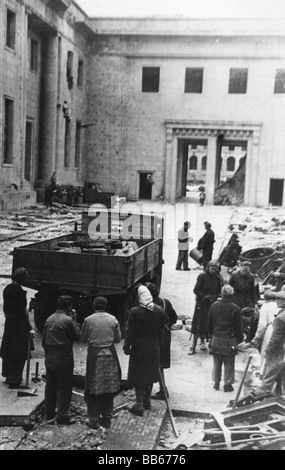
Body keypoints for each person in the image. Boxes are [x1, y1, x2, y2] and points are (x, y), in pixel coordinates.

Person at [123, 285, 165, 416]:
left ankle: (139, 403)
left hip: (139, 347)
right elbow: (163, 327)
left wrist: (126, 346)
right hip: (153, 346)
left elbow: (129, 332)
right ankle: (147, 400)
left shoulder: (135, 312)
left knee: (139, 375)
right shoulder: (158, 310)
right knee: (150, 373)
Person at [80, 296, 121, 430]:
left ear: (94, 306)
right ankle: (107, 418)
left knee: (92, 390)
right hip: (110, 356)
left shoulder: (88, 320)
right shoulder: (113, 319)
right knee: (108, 388)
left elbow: (83, 338)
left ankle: (93, 420)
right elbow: (118, 339)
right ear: (106, 306)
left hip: (94, 357)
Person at [42, 295, 81, 425]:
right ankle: (62, 415)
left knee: (50, 385)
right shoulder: (67, 320)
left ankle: (49, 414)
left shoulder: (49, 319)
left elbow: (43, 342)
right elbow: (76, 336)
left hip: (50, 357)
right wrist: (75, 320)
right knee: (64, 386)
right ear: (69, 307)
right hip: (63, 357)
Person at [0, 268, 35, 389]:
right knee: (19, 353)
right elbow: (20, 313)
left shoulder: (7, 288)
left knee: (9, 350)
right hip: (18, 327)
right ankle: (14, 380)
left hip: (10, 324)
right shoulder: (19, 293)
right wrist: (29, 328)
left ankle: (9, 375)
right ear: (22, 279)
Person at [145, 282, 178, 400]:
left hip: (152, 338)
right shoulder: (165, 302)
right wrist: (167, 326)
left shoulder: (147, 305)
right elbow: (174, 318)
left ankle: (148, 394)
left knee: (149, 365)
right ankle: (162, 390)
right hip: (164, 337)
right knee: (160, 365)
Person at [208, 285, 243, 392]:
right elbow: (238, 327)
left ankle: (216, 382)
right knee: (229, 362)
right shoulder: (235, 308)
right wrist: (239, 339)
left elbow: (209, 322)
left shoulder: (214, 305)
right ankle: (227, 384)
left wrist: (210, 336)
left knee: (217, 361)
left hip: (216, 337)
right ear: (232, 295)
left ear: (222, 294)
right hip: (229, 339)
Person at [250, 290, 285, 397]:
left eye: (279, 299)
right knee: (282, 374)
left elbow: (275, 339)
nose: (277, 301)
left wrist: (268, 351)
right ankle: (279, 393)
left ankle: (264, 393)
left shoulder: (280, 318)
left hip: (278, 350)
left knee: (269, 373)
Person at [189, 260, 223, 355]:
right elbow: (196, 290)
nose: (213, 271)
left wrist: (215, 297)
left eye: (215, 269)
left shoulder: (218, 278)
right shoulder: (202, 276)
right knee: (198, 324)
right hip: (201, 304)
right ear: (208, 268)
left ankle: (208, 344)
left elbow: (219, 291)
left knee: (210, 324)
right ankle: (193, 346)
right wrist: (204, 296)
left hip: (212, 305)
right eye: (212, 268)